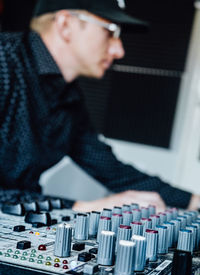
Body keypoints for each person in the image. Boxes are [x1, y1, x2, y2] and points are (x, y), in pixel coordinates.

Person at [0, 0, 199, 213]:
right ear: (65, 24)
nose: (119, 50)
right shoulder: (4, 62)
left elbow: (112, 171)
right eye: (110, 32)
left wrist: (194, 201)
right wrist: (82, 206)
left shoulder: (69, 97)